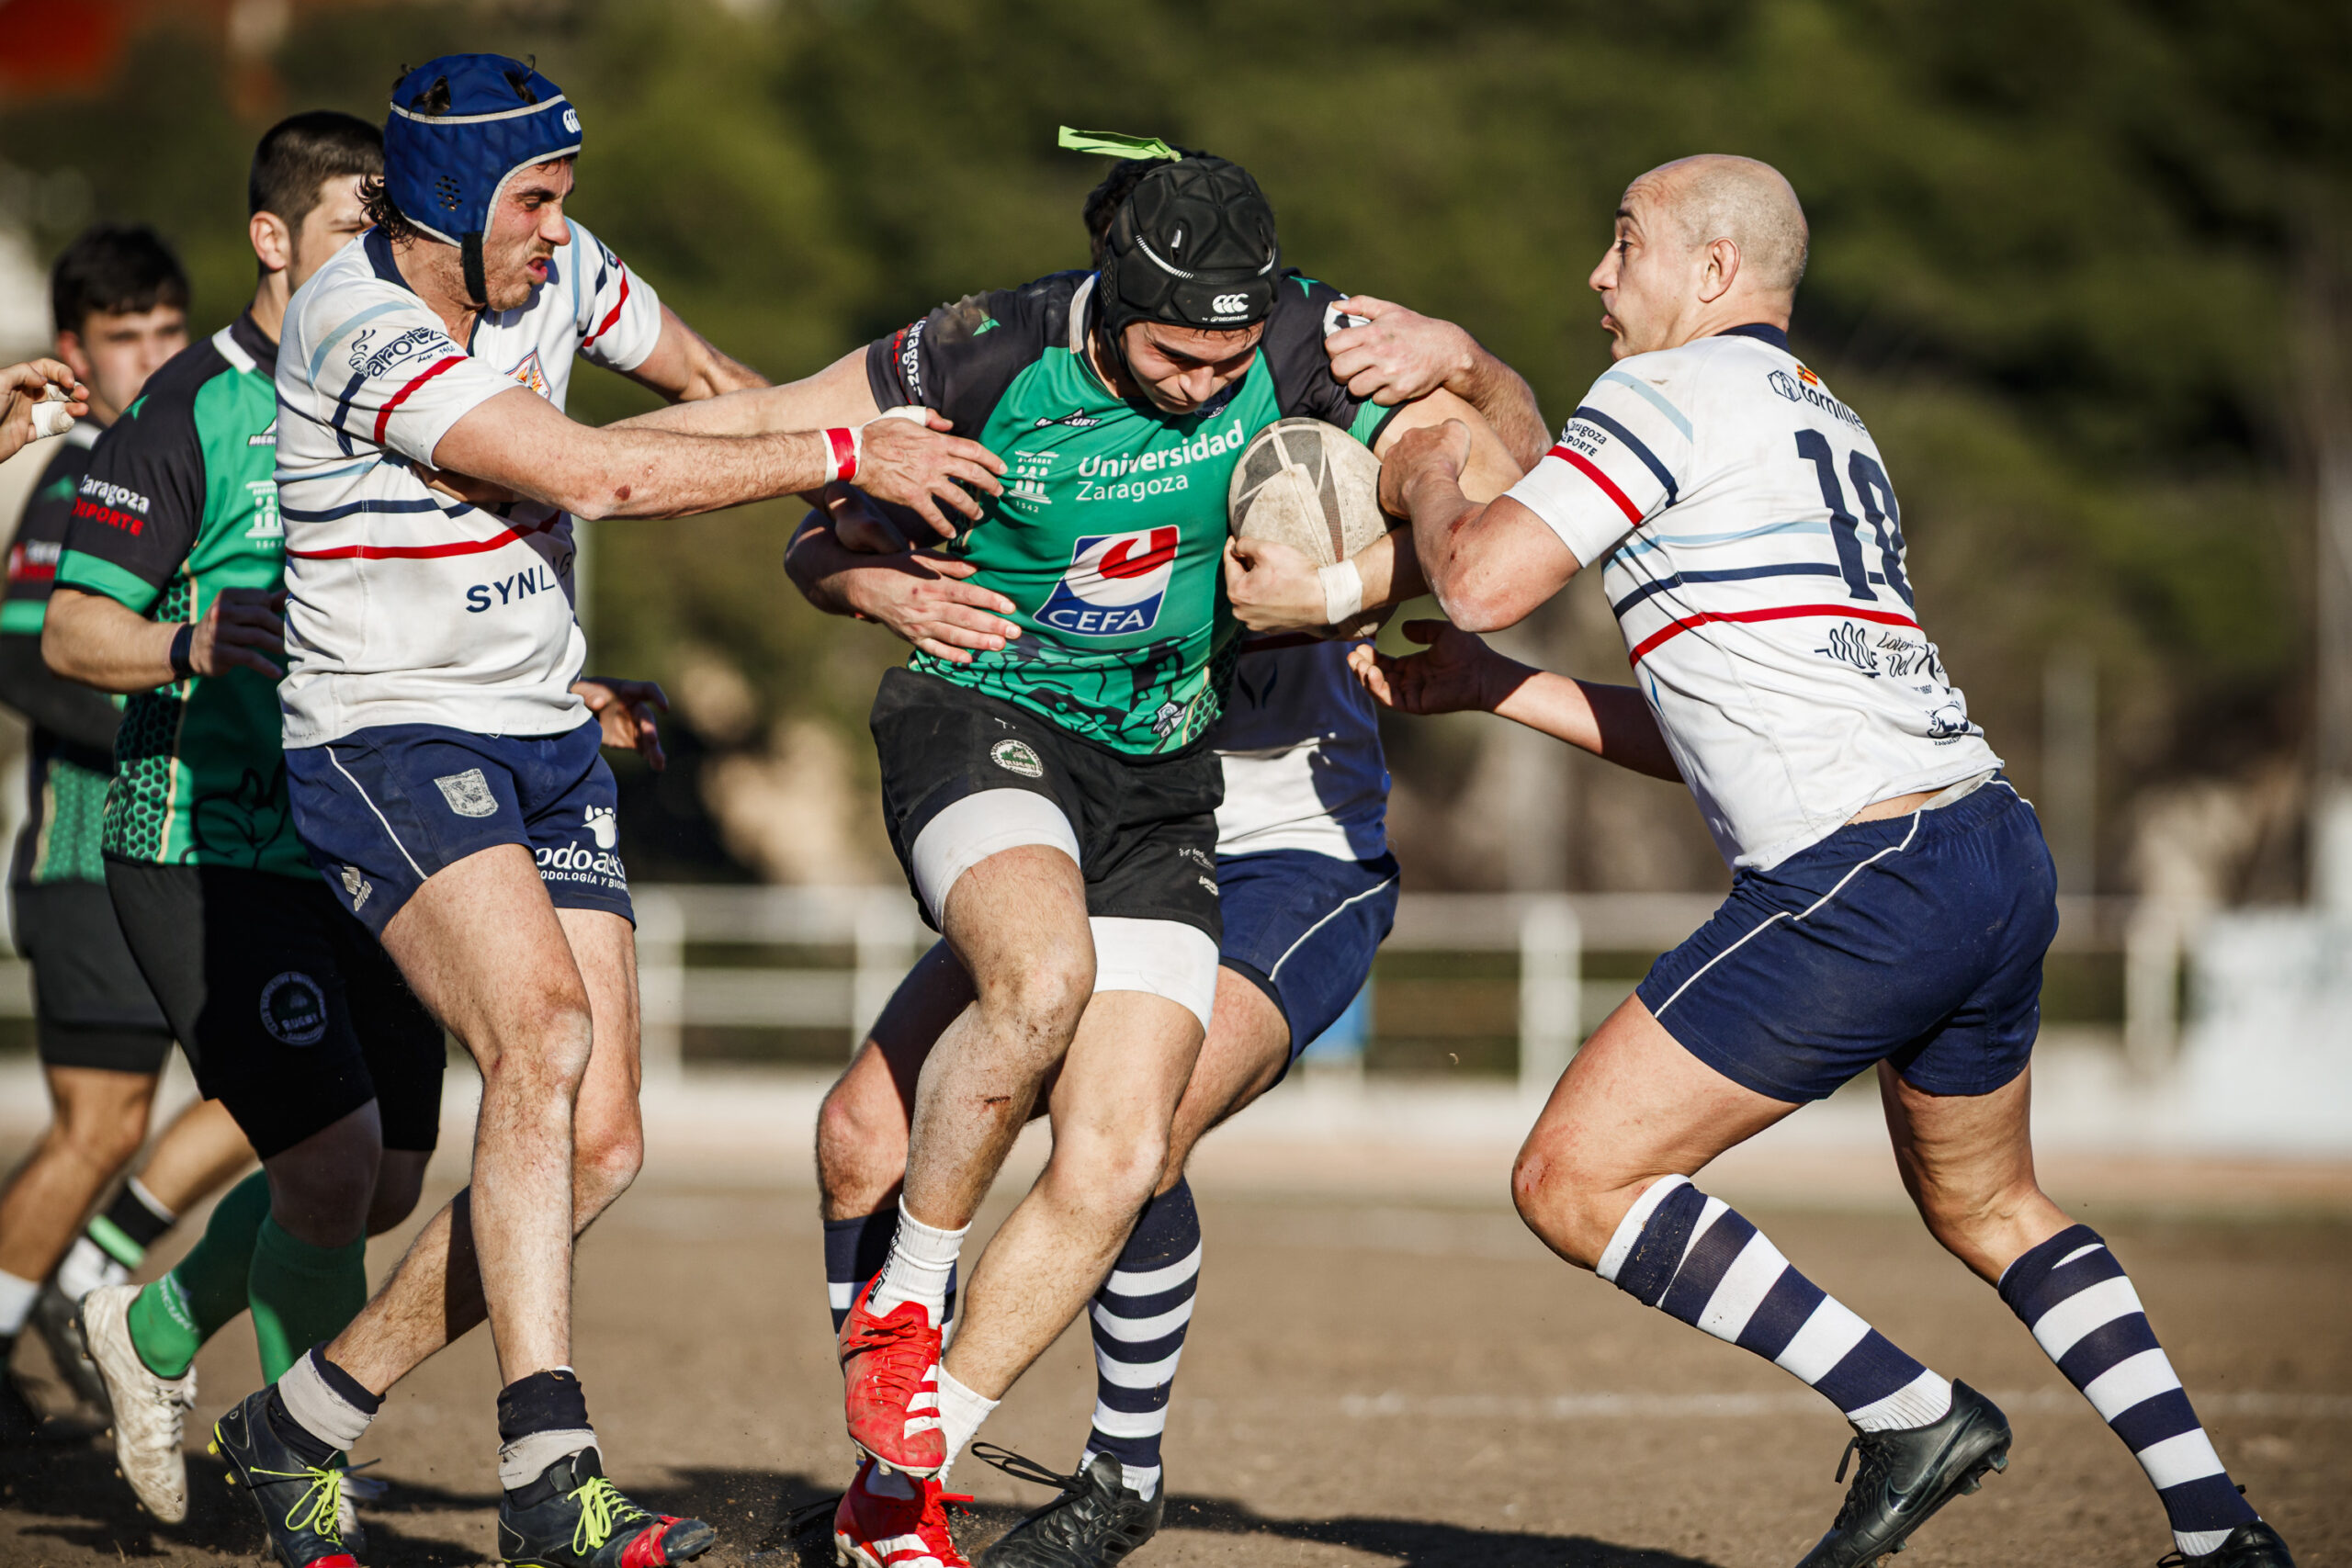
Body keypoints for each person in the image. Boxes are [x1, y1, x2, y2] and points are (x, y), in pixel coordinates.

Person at [1353, 153, 2294, 1568]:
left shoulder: (1669, 392)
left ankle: (1910, 1415)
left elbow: (1480, 573)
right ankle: (2224, 1534)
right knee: (1990, 1206)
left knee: (1574, 1180)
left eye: (1626, 245)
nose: (1599, 278)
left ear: (1716, 269)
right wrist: (1499, 691)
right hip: (1987, 847)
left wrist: (1431, 457)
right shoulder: (1825, 420)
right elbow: (1707, 727)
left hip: (1872, 876)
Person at [676, 130, 1519, 1568]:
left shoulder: (1317, 358)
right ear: (1111, 289)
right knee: (863, 1132)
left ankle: (1090, 1475)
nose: (1213, 382)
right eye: (1181, 351)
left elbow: (1495, 490)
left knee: (1136, 1133)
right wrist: (859, 569)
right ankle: (898, 1466)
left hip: (1271, 823)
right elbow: (811, 502)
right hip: (1061, 766)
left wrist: (1383, 526)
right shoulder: (1005, 364)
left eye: (1231, 348)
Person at [203, 56, 998, 1568]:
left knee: (602, 1143)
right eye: (536, 200)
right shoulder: (356, 324)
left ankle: (301, 1418)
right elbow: (596, 476)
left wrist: (858, 528)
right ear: (444, 199)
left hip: (540, 734)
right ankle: (549, 1474)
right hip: (381, 735)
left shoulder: (556, 265)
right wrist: (843, 452)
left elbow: (710, 394)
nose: (560, 230)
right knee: (542, 1038)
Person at [35, 115, 447, 1539]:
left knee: (386, 1182)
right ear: (274, 243)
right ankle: (300, 1492)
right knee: (327, 1165)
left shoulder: (408, 394)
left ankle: (150, 1333)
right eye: (353, 234)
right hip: (202, 838)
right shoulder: (183, 414)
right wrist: (195, 638)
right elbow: (76, 632)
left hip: (367, 838)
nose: (380, 266)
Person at [0, 223, 249, 1437]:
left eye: (166, 327)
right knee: (101, 1125)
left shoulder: (203, 441)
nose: (152, 350)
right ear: (73, 353)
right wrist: (180, 697)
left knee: (275, 1095)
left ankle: (88, 1269)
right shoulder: (83, 466)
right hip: (87, 852)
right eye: (123, 335)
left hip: (196, 847)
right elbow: (26, 657)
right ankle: (81, 1283)